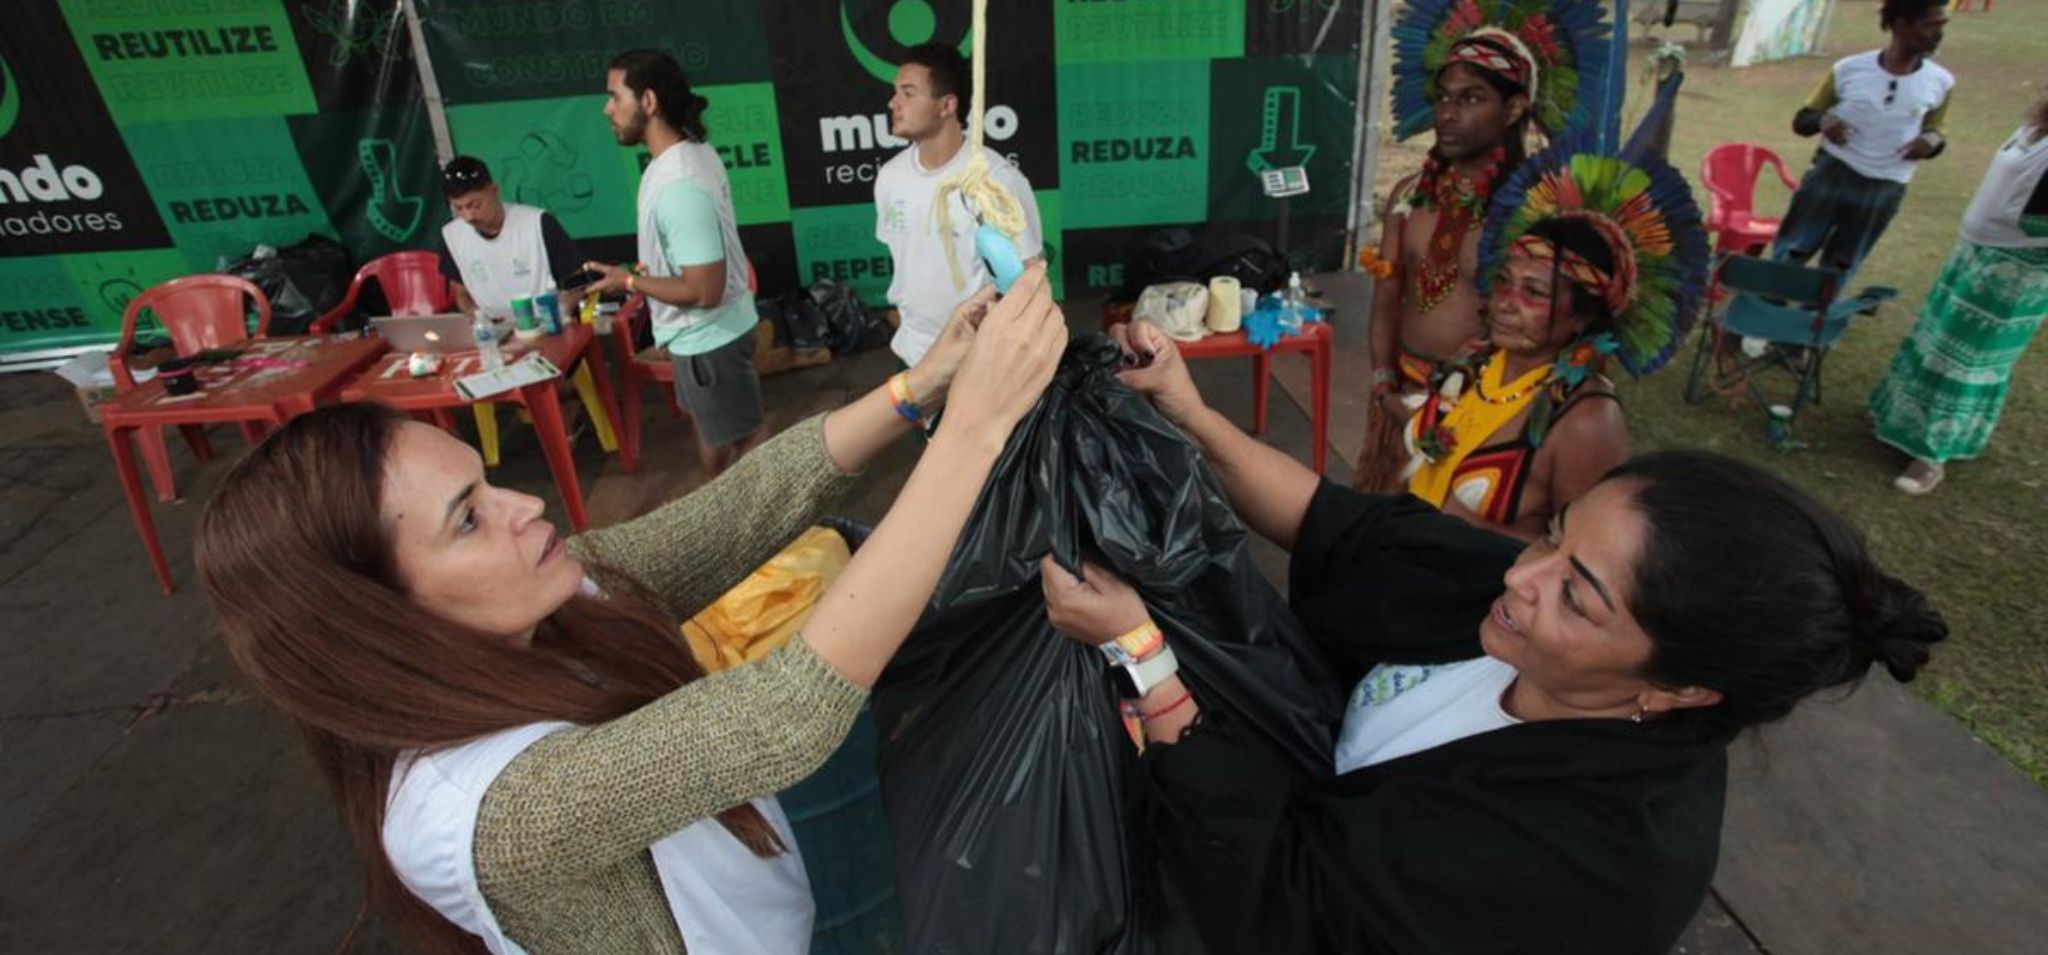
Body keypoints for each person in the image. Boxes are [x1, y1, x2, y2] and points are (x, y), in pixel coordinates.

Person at [194, 265, 1068, 954]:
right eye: (468, 519)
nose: (526, 507)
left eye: (486, 484)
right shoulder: (485, 814)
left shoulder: (542, 593)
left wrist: (924, 386)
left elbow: (730, 516)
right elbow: (781, 715)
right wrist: (974, 431)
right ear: (375, 619)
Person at [1040, 317, 1947, 955]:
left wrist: (1149, 663)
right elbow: (1336, 523)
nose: (1520, 576)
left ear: (1678, 688)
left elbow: (1287, 916)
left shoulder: (1589, 866)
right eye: (1557, 533)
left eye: (1578, 597)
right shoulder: (1512, 606)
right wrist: (1187, 411)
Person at [1393, 118, 1709, 539]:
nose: (1504, 301)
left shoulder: (1587, 421)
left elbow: (1580, 550)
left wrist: (1461, 524)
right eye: (1504, 280)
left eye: (1534, 291)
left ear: (1582, 314)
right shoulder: (1475, 360)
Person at [1354, 0, 1613, 492]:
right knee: (1381, 526)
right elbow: (1388, 296)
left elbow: (1565, 328)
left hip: (1487, 414)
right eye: (1444, 97)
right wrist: (1384, 383)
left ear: (1514, 107)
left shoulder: (1539, 215)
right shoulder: (1409, 195)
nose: (1447, 114)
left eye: (1471, 99)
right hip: (1399, 396)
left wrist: (1463, 403)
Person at [581, 50, 765, 478]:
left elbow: (704, 290)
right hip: (705, 339)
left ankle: (754, 525)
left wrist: (627, 281)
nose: (607, 108)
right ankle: (726, 513)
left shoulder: (680, 184)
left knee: (746, 440)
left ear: (648, 102)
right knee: (720, 435)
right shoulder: (684, 157)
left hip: (710, 340)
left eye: (614, 97)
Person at [1869, 90, 2048, 495]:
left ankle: (1932, 455)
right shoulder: (2036, 126)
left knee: (1967, 361)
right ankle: (1901, 420)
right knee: (1935, 342)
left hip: (2016, 275)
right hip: (1974, 255)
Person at [875, 41, 1044, 367]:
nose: (893, 103)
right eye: (895, 92)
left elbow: (1028, 279)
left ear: (947, 105)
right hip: (912, 354)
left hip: (978, 358)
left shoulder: (997, 180)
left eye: (908, 93)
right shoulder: (889, 178)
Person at [1771, 0, 1953, 282]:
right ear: (1901, 24)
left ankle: (1816, 316)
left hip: (1886, 186)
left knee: (1843, 263)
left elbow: (1936, 131)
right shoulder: (1848, 69)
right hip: (1831, 174)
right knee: (1793, 249)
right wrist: (1823, 121)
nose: (1938, 34)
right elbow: (1803, 120)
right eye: (1930, 25)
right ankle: (1769, 305)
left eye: (1942, 25)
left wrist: (1931, 142)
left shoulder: (1941, 82)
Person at [435, 156, 585, 318]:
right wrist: (476, 316)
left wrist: (560, 312)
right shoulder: (452, 235)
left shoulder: (538, 223)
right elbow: (461, 293)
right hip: (494, 330)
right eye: (459, 208)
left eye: (475, 205)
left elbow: (579, 283)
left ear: (494, 191)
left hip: (546, 323)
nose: (468, 216)